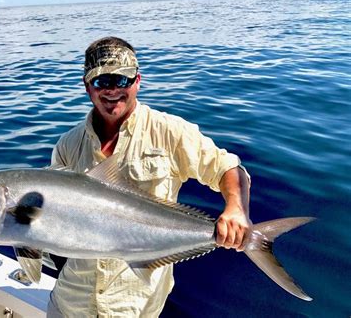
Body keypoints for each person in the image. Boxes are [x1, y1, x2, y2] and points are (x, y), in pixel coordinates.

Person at [47, 36, 252, 317]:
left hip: (134, 305)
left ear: (138, 81)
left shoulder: (169, 131)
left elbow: (228, 168)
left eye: (122, 80)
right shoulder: (68, 145)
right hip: (71, 301)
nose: (112, 90)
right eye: (101, 82)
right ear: (87, 87)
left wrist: (236, 211)